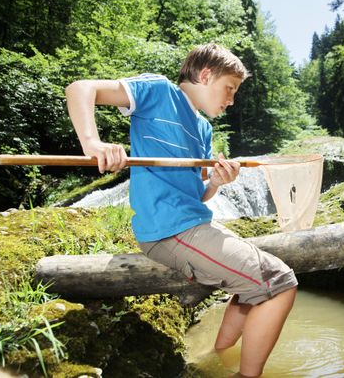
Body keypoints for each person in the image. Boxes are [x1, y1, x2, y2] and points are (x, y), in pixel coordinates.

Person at [65, 43, 298, 377]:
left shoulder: (203, 129)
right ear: (205, 75)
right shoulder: (159, 92)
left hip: (194, 225)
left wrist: (217, 182)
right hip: (168, 232)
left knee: (256, 284)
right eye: (229, 89)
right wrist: (93, 144)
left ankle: (220, 356)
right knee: (280, 282)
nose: (231, 100)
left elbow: (200, 195)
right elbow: (80, 89)